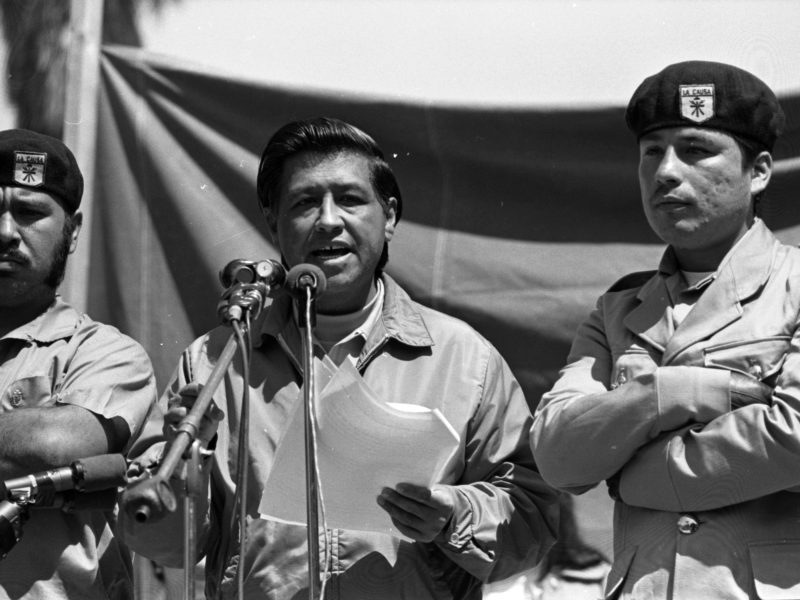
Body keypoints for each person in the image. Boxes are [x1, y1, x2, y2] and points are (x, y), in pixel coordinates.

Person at [120, 117, 559, 599]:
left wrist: (453, 514)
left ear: (388, 216)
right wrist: (193, 468)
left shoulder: (464, 358)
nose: (328, 220)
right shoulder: (216, 361)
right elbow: (155, 540)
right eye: (305, 202)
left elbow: (532, 524)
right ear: (274, 222)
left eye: (350, 199)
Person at [530, 60, 800, 599]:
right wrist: (669, 392)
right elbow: (559, 454)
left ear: (761, 170)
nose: (666, 171)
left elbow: (794, 436)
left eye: (696, 150)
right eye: (652, 152)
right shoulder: (618, 308)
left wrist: (637, 474)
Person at [0, 129, 158, 598]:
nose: (5, 231)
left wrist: (38, 437)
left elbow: (58, 445)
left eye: (29, 213)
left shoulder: (105, 353)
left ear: (73, 230)